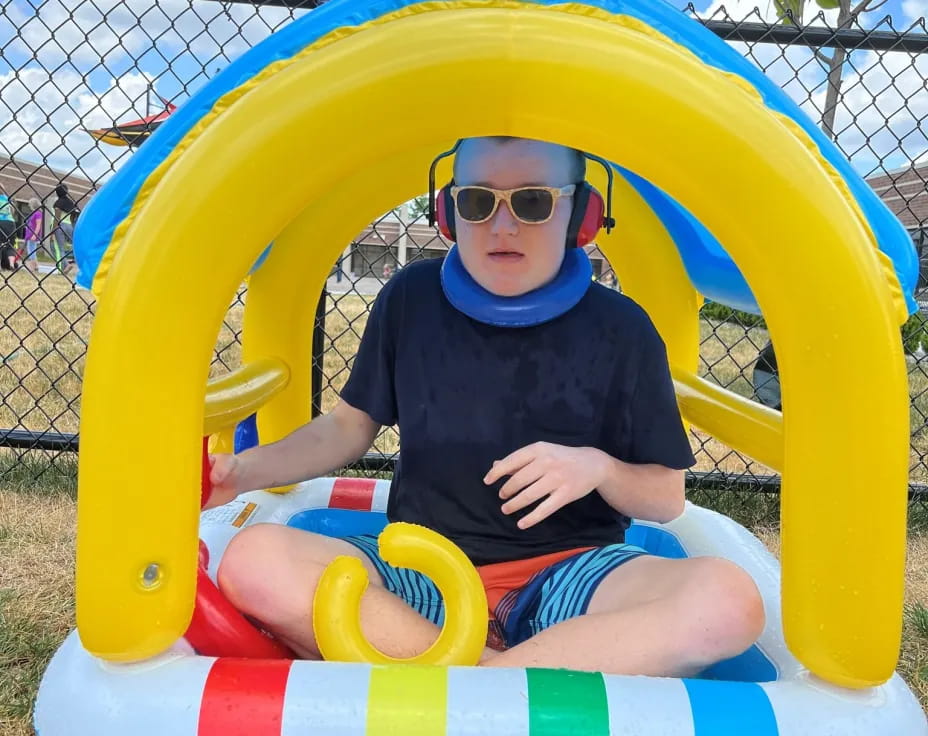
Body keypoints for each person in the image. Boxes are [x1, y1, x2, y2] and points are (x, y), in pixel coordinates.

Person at [209, 136, 764, 675]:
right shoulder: (411, 298)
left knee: (728, 601)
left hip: (570, 576)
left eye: (532, 201)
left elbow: (665, 499)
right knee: (254, 559)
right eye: (477, 202)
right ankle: (499, 679)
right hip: (416, 568)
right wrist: (241, 472)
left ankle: (451, 677)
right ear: (448, 213)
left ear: (583, 216)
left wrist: (597, 467)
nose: (502, 225)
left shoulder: (622, 330)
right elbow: (345, 430)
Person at [51, 184, 79, 275]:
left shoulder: (58, 203)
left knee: (59, 248)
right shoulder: (70, 203)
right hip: (69, 225)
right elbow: (74, 215)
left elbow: (57, 217)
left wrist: (53, 230)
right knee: (71, 245)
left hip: (60, 226)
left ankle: (64, 266)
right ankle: (68, 264)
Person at [23, 198, 44, 274]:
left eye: (30, 204)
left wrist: (35, 235)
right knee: (31, 251)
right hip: (29, 234)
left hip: (33, 235)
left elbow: (38, 225)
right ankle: (36, 266)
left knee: (31, 251)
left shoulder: (38, 213)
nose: (29, 206)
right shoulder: (34, 213)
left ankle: (32, 267)